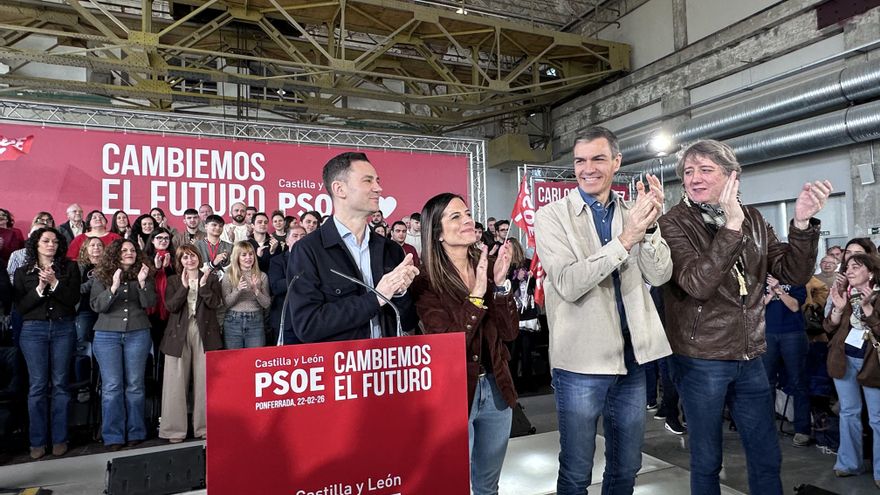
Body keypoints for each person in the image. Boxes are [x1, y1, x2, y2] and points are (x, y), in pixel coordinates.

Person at [658, 139, 831, 495]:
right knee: (707, 460)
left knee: (766, 454)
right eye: (689, 172)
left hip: (751, 354)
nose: (695, 178)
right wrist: (731, 227)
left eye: (706, 170)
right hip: (700, 358)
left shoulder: (752, 217)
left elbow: (792, 272)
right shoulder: (673, 223)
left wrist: (800, 225)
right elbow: (697, 283)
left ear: (732, 176)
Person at [534, 126, 671, 495]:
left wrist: (651, 226)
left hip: (632, 360)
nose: (587, 168)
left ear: (616, 162)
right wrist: (627, 238)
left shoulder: (635, 212)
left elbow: (659, 274)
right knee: (577, 471)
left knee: (627, 467)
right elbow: (568, 282)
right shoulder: (551, 217)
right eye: (580, 160)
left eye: (597, 158)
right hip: (580, 364)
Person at [412, 192, 517, 495]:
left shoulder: (489, 264)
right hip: (454, 393)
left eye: (468, 213)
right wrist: (476, 295)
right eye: (455, 217)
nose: (467, 220)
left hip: (497, 390)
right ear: (437, 233)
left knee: (487, 485)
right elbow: (449, 343)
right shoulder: (425, 280)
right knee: (452, 483)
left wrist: (500, 287)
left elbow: (509, 333)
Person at [287, 152, 419, 342]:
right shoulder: (308, 250)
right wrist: (376, 298)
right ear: (339, 189)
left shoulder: (391, 249)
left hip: (387, 365)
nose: (379, 188)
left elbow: (408, 322)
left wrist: (400, 293)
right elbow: (308, 325)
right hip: (341, 367)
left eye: (378, 181)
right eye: (368, 181)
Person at [13, 227, 80, 459]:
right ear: (36, 244)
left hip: (64, 328)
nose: (51, 245)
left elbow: (73, 300)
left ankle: (60, 438)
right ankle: (37, 441)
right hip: (33, 331)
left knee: (61, 384)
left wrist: (55, 283)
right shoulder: (23, 272)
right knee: (37, 386)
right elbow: (21, 307)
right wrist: (40, 289)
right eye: (45, 241)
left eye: (54, 241)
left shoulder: (69, 268)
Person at [90, 239, 156, 450]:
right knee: (111, 387)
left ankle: (136, 431)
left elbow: (150, 303)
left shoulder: (144, 273)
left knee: (135, 385)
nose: (129, 253)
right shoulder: (102, 275)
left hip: (138, 333)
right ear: (115, 254)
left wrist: (143, 283)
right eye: (124, 250)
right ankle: (113, 435)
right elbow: (97, 305)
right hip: (107, 336)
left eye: (132, 250)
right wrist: (114, 287)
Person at [825, 253, 880, 487]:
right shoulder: (845, 294)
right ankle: (848, 463)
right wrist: (837, 309)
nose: (849, 271)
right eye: (847, 267)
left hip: (872, 363)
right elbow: (828, 326)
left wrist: (868, 309)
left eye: (856, 267)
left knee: (877, 419)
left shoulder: (876, 296)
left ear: (871, 272)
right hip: (844, 358)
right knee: (848, 412)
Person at [159, 245, 222, 443]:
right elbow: (171, 306)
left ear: (198, 257)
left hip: (204, 332)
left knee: (205, 382)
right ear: (180, 261)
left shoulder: (211, 278)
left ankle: (204, 428)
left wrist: (203, 286)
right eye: (185, 257)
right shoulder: (173, 280)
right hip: (177, 333)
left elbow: (215, 304)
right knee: (174, 382)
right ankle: (174, 431)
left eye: (192, 256)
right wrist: (184, 287)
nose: (189, 260)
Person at [761, 275, 811, 446]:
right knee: (766, 382)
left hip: (793, 333)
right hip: (766, 333)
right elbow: (755, 308)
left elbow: (795, 306)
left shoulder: (796, 278)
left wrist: (778, 290)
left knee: (798, 381)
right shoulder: (760, 277)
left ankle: (802, 429)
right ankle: (767, 428)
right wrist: (768, 294)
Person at [222, 241, 270, 349]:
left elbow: (266, 304)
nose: (248, 258)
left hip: (256, 321)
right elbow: (226, 303)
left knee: (255, 359)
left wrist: (256, 291)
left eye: (251, 254)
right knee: (234, 360)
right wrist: (238, 290)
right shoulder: (229, 275)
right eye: (244, 255)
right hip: (232, 321)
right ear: (237, 257)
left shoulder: (262, 276)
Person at [268, 226, 307, 345]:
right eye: (295, 236)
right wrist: (300, 278)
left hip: (309, 320)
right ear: (287, 240)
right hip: (286, 321)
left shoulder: (314, 260)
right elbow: (276, 287)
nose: (299, 239)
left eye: (303, 236)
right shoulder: (277, 261)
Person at [145, 228, 176, 353]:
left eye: (166, 238)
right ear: (152, 240)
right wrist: (157, 269)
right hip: (152, 305)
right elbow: (143, 281)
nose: (163, 241)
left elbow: (176, 282)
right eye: (159, 238)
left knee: (168, 342)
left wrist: (167, 269)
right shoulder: (144, 257)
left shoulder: (174, 257)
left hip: (170, 304)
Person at [75, 237, 104, 355]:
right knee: (82, 343)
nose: (96, 247)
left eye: (99, 245)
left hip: (104, 311)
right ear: (85, 249)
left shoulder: (109, 267)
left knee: (102, 345)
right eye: (92, 245)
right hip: (84, 310)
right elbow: (78, 289)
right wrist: (95, 280)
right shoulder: (77, 266)